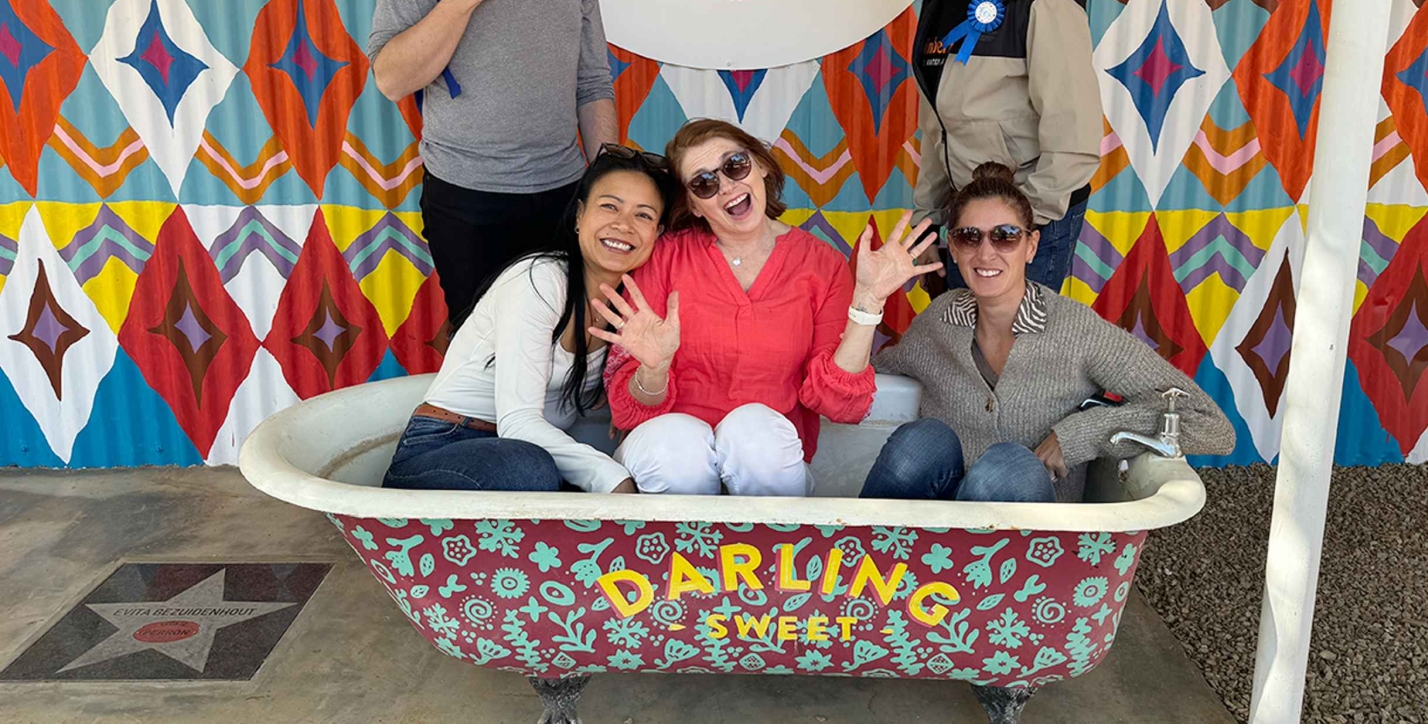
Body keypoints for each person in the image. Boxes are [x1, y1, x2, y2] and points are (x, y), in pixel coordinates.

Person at [368, 0, 617, 328]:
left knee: (563, 339)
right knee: (484, 350)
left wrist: (606, 188)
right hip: (467, 199)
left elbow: (593, 83)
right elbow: (391, 78)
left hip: (562, 195)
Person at [587, 119, 943, 497]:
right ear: (693, 205)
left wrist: (868, 302)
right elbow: (629, 410)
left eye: (735, 165)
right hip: (668, 455)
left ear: (761, 165)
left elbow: (840, 405)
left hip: (768, 456)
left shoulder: (821, 263)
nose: (726, 186)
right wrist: (654, 370)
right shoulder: (664, 256)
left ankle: (763, 538)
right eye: (704, 183)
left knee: (753, 433)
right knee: (676, 446)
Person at [862, 162, 1235, 504]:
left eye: (1005, 236)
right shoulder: (940, 321)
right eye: (969, 237)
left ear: (1031, 246)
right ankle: (862, 551)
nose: (985, 253)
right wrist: (867, 298)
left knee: (1002, 466)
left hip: (1040, 535)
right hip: (943, 518)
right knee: (919, 441)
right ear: (954, 250)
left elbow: (1209, 423)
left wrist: (1079, 435)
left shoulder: (1076, 331)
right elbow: (861, 381)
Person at [382, 145, 676, 493]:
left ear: (657, 233)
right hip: (446, 445)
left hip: (529, 456)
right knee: (531, 469)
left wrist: (655, 370)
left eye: (643, 215)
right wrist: (614, 479)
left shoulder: (632, 307)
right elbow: (518, 424)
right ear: (579, 215)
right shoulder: (539, 280)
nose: (623, 225)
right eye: (610, 206)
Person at [905, 0, 1102, 294]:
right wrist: (927, 222)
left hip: (1030, 224)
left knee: (1015, 341)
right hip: (966, 220)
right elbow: (938, 127)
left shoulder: (1040, 0)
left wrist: (1011, 231)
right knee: (958, 337)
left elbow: (1075, 144)